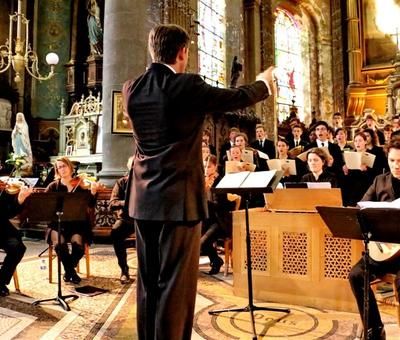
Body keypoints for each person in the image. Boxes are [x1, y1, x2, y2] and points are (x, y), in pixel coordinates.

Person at [122, 24, 275, 340]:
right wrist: (264, 84)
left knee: (148, 281)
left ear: (153, 51)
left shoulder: (131, 88)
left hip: (142, 200)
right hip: (178, 201)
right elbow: (235, 97)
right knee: (175, 284)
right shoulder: (185, 86)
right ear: (182, 52)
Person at [348, 139, 400, 340]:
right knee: (356, 275)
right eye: (393, 160)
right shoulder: (380, 181)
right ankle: (375, 329)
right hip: (383, 250)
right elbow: (361, 208)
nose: (397, 165)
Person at [45, 157, 100, 284]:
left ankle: (69, 270)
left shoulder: (81, 185)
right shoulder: (53, 186)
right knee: (60, 245)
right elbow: (46, 206)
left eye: (64, 166)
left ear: (70, 167)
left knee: (79, 247)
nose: (62, 169)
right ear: (57, 170)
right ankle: (71, 272)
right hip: (57, 223)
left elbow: (91, 205)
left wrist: (93, 192)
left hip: (77, 223)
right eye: (59, 167)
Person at [0, 179, 32, 296]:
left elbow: (9, 213)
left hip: (2, 230)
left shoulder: (4, 189)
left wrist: (20, 199)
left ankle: (1, 281)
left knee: (18, 248)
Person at [108, 157, 135, 284]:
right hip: (127, 219)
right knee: (116, 232)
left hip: (146, 218)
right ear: (128, 167)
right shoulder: (121, 182)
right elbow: (112, 203)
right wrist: (129, 202)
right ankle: (124, 269)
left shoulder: (149, 182)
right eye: (133, 165)